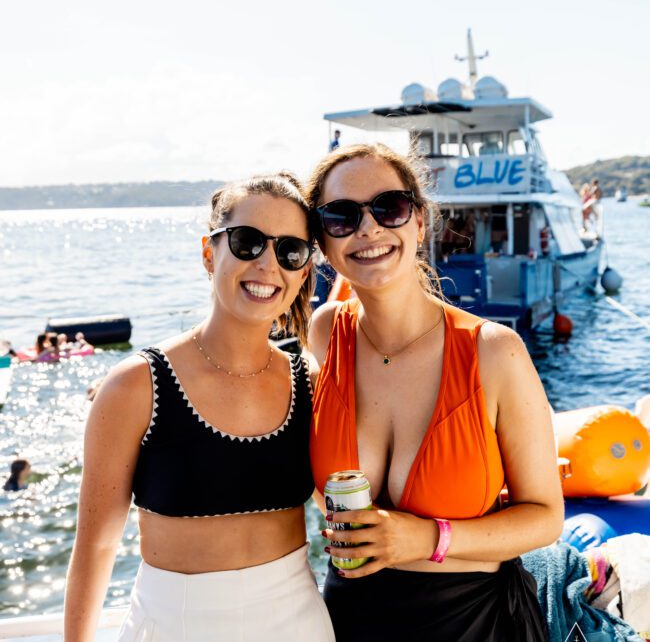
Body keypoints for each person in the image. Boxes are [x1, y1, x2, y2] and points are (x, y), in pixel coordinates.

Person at [305, 143, 563, 641]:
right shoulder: (325, 332)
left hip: (469, 621)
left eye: (389, 207)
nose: (368, 228)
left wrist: (427, 538)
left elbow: (546, 518)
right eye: (341, 216)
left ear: (419, 223)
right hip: (347, 617)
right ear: (322, 242)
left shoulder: (494, 352)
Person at [64, 172, 334, 642]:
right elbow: (97, 546)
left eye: (290, 251)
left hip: (300, 624)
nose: (268, 264)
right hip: (174, 626)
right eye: (248, 242)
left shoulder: (308, 380)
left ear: (304, 270)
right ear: (210, 253)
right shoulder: (136, 386)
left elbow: (338, 508)